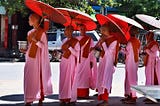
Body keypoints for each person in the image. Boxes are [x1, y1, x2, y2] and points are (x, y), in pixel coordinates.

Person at [20, 13, 53, 106]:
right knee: (28, 78)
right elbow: (29, 47)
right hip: (29, 58)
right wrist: (24, 50)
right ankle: (28, 99)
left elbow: (44, 47)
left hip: (38, 60)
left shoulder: (41, 32)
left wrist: (37, 41)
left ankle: (39, 98)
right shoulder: (29, 33)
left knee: (37, 78)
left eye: (30, 19)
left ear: (35, 20)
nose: (28, 21)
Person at [95, 23, 120, 106]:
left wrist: (103, 43)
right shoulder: (103, 38)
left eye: (104, 31)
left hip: (109, 62)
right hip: (102, 60)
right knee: (101, 78)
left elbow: (109, 52)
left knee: (106, 80)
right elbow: (99, 48)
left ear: (108, 30)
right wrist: (100, 43)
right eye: (101, 31)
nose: (102, 33)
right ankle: (102, 96)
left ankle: (106, 101)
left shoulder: (114, 40)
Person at [59, 25, 80, 106]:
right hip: (64, 61)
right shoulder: (64, 40)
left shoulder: (76, 41)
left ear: (72, 32)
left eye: (69, 31)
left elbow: (77, 54)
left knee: (70, 80)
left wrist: (70, 48)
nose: (66, 32)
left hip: (71, 62)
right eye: (65, 31)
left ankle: (70, 98)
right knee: (63, 79)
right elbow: (63, 51)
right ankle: (63, 97)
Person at [76, 24, 97, 99]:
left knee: (85, 77)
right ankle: (77, 93)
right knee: (78, 76)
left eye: (84, 29)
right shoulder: (76, 39)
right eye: (81, 29)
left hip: (86, 60)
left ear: (86, 30)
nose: (82, 30)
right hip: (78, 60)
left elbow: (91, 51)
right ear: (79, 30)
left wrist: (91, 61)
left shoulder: (89, 39)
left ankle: (84, 94)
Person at [120, 26, 140, 104]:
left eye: (131, 30)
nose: (130, 31)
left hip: (130, 62)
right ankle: (129, 95)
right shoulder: (137, 41)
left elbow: (127, 52)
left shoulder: (130, 41)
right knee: (131, 79)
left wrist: (121, 49)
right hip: (134, 62)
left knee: (131, 80)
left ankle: (133, 97)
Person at [143, 31, 159, 104]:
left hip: (153, 66)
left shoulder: (154, 44)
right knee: (148, 81)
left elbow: (154, 55)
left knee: (152, 81)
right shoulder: (149, 43)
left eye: (148, 35)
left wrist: (146, 49)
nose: (147, 37)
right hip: (149, 65)